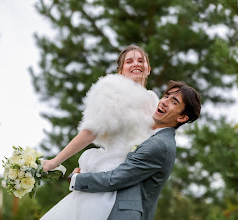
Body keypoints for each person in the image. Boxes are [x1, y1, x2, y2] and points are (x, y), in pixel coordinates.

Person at [40, 45, 159, 219]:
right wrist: (54, 162)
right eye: (129, 61)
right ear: (120, 71)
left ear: (148, 69)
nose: (136, 64)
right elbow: (90, 132)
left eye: (141, 60)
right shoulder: (111, 90)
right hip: (108, 171)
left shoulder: (153, 99)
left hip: (136, 177)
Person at [69, 80, 201, 220]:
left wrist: (76, 179)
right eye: (166, 96)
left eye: (174, 102)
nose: (164, 102)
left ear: (182, 117)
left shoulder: (160, 145)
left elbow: (116, 178)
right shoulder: (149, 134)